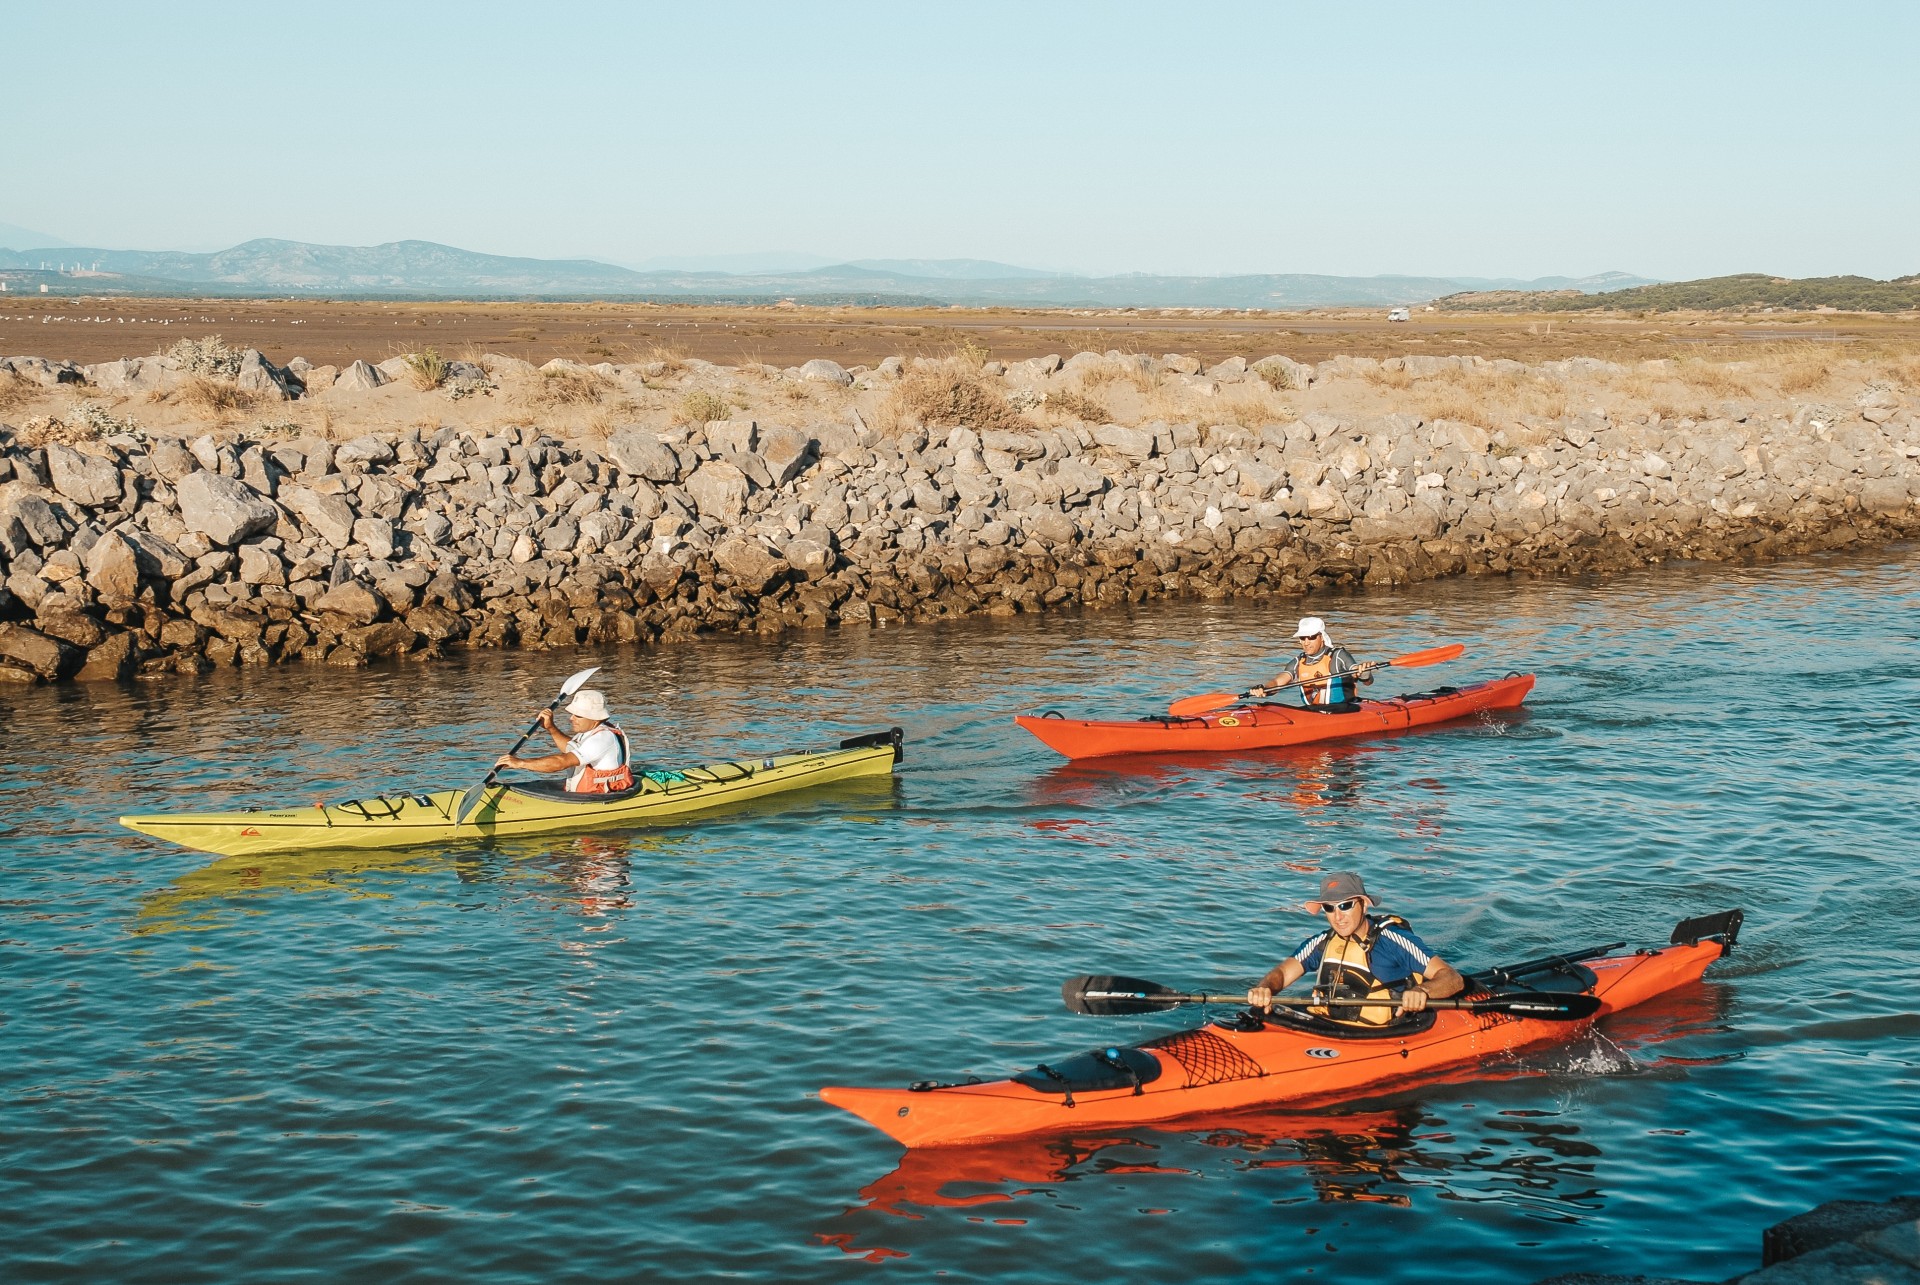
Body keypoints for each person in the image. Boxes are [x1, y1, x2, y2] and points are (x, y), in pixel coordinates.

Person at [1246, 871, 1465, 1025]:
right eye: (1329, 908)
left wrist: (1422, 992)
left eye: (1345, 905)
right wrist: (1265, 988)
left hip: (1381, 1033)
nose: (1338, 916)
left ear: (1363, 903)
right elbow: (1282, 973)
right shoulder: (1322, 942)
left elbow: (1452, 978)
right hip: (1327, 1026)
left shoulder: (1393, 940)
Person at [494, 689, 634, 793]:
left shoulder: (602, 739)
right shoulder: (591, 731)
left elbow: (562, 762)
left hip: (599, 797)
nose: (571, 718)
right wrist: (551, 728)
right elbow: (569, 749)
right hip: (582, 794)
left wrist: (520, 763)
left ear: (595, 718)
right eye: (572, 714)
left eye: (578, 715)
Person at [1249, 616, 1372, 710]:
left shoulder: (1338, 656)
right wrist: (1264, 689)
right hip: (1312, 711)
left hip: (1345, 710)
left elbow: (1365, 680)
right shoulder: (1298, 662)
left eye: (1311, 637)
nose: (1306, 642)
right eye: (1302, 638)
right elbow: (1277, 683)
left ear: (1322, 637)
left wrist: (1364, 673)